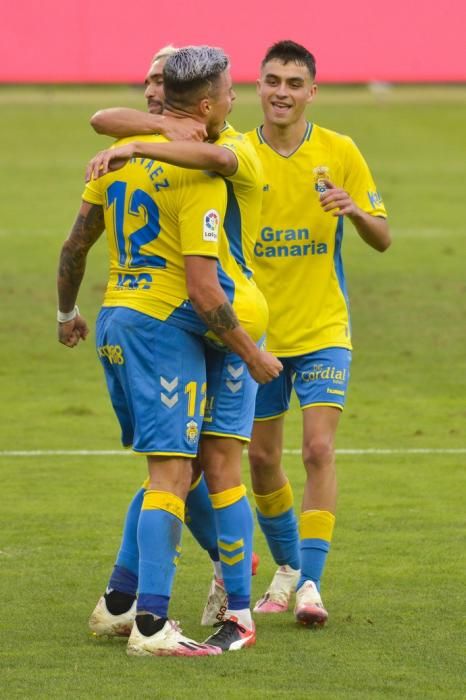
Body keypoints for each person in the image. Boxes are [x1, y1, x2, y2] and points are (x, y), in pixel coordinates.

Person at [57, 45, 281, 657]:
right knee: (184, 470)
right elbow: (104, 119)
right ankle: (191, 615)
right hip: (198, 323)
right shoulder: (165, 150)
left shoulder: (234, 152)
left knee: (181, 469)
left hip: (181, 324)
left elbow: (205, 151)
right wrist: (153, 129)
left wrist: (139, 144)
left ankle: (131, 602)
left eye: (163, 84)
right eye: (150, 82)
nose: (153, 94)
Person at [245, 40, 391, 625]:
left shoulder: (340, 151)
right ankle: (286, 566)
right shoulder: (238, 155)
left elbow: (382, 237)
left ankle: (309, 585)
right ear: (257, 86)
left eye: (293, 82)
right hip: (258, 335)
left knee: (317, 449)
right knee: (260, 459)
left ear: (312, 91)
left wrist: (353, 209)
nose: (282, 91)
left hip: (324, 326)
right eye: (272, 80)